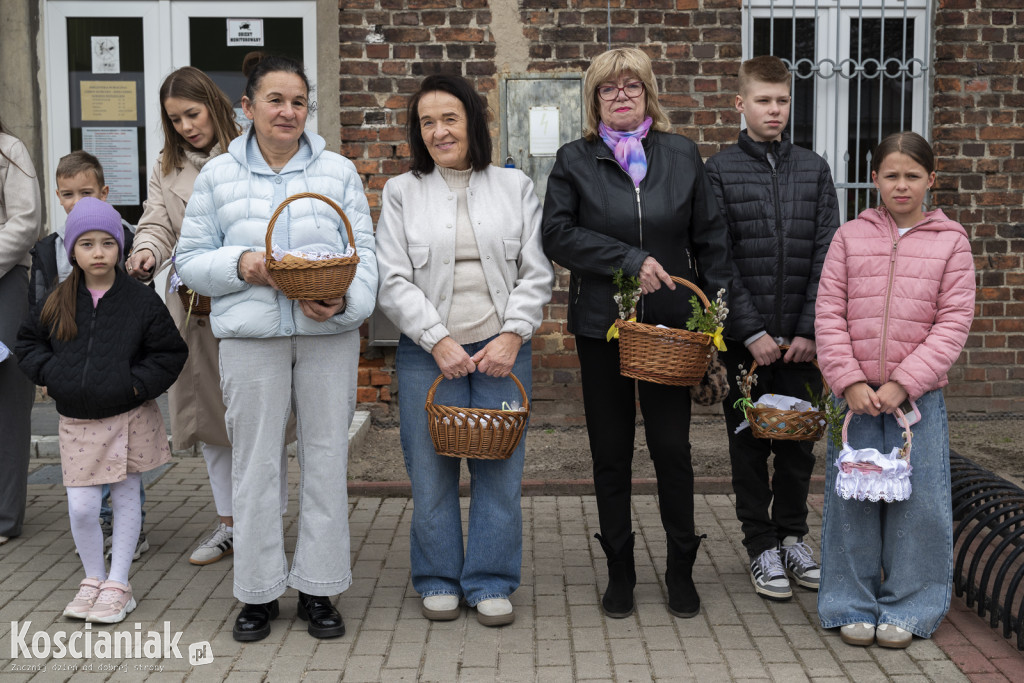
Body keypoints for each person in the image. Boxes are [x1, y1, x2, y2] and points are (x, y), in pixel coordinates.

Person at [176, 53, 377, 643]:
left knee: (326, 460)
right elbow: (189, 262)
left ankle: (319, 586)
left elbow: (366, 253)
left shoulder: (337, 171)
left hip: (326, 340)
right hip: (250, 342)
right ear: (247, 108)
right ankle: (258, 592)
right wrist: (241, 264)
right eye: (275, 100)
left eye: (298, 102)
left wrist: (343, 302)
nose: (288, 112)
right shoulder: (218, 176)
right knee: (255, 465)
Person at [541, 47, 731, 620]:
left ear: (648, 93)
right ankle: (620, 569)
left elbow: (711, 239)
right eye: (608, 88)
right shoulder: (575, 159)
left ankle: (680, 568)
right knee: (611, 450)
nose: (621, 95)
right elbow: (557, 235)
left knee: (673, 449)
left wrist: (715, 321)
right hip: (603, 327)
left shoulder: (682, 154)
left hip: (672, 328)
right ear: (594, 99)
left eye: (632, 86)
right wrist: (627, 258)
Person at [376, 74, 553, 627]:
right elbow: (392, 279)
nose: (439, 131)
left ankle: (491, 580)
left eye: (449, 118)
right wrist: (438, 340)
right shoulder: (402, 192)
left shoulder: (514, 186)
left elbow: (536, 270)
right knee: (431, 470)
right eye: (427, 122)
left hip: (503, 352)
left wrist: (512, 334)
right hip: (428, 354)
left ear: (473, 121)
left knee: (499, 469)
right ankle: (437, 578)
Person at [815, 131, 975, 648]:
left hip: (916, 402)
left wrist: (905, 382)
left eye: (912, 175)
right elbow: (829, 312)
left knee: (919, 506)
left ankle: (910, 606)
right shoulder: (849, 237)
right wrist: (848, 380)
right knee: (853, 503)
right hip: (857, 402)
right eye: (891, 175)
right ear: (874, 179)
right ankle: (850, 602)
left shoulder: (951, 242)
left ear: (931, 179)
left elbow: (953, 322)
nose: (901, 185)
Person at [126, 66, 290, 567]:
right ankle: (230, 525)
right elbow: (157, 220)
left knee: (260, 422)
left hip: (250, 301)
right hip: (195, 310)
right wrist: (147, 250)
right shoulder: (166, 165)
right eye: (175, 120)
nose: (186, 127)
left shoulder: (253, 151)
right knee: (210, 422)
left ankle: (267, 524)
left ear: (214, 106)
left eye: (192, 114)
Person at [705, 55, 840, 601]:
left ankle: (792, 538)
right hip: (749, 345)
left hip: (802, 344)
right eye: (763, 100)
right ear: (741, 104)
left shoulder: (815, 170)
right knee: (749, 447)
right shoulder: (718, 171)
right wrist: (750, 331)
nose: (774, 110)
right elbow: (717, 259)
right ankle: (760, 546)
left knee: (798, 447)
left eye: (782, 100)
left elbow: (829, 254)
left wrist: (809, 329)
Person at [15, 198, 187, 623]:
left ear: (120, 248)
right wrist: (53, 375)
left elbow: (168, 352)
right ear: (72, 250)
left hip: (128, 416)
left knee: (127, 499)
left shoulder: (141, 301)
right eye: (87, 244)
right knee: (83, 507)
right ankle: (93, 577)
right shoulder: (56, 300)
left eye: (108, 243)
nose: (98, 252)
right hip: (77, 421)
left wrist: (135, 385)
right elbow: (28, 343)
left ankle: (118, 584)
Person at [30, 150, 147, 561]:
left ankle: (130, 527)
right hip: (74, 376)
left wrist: (136, 378)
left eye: (87, 193)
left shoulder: (126, 240)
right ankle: (96, 527)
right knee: (88, 460)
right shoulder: (48, 249)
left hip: (118, 375)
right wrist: (49, 372)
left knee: (124, 461)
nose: (77, 201)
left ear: (105, 193)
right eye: (68, 194)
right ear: (57, 196)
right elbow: (37, 316)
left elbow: (144, 314)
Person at [0, 117, 41, 547]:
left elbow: (25, 222)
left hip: (5, 279)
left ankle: (4, 515)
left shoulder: (8, 149)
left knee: (7, 396)